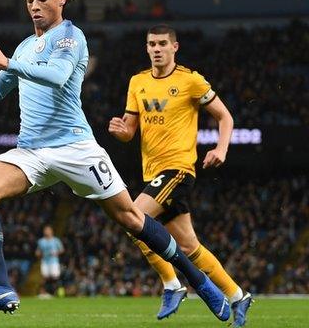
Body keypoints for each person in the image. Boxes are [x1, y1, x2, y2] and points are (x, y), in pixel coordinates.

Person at [0, 0, 229, 321]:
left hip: (75, 148)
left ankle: (200, 283)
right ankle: (2, 287)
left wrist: (8, 62)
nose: (35, 6)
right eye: (29, 0)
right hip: (31, 151)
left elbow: (57, 74)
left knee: (131, 218)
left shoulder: (71, 36)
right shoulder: (24, 47)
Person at [108, 24, 253, 326]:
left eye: (162, 43)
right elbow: (130, 131)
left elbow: (225, 116)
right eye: (151, 44)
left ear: (175, 47)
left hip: (177, 169)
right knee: (189, 247)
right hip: (153, 173)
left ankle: (173, 283)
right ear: (146, 48)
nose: (156, 48)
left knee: (132, 218)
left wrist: (221, 149)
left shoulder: (190, 81)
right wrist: (122, 133)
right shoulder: (137, 82)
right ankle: (237, 295)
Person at [36, 225, 64, 297]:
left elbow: (62, 250)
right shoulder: (41, 241)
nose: (46, 231)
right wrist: (38, 253)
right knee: (45, 277)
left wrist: (56, 253)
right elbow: (38, 251)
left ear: (51, 231)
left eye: (48, 230)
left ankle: (57, 292)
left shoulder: (56, 240)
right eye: (45, 230)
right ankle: (44, 293)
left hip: (54, 261)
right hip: (45, 261)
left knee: (55, 276)